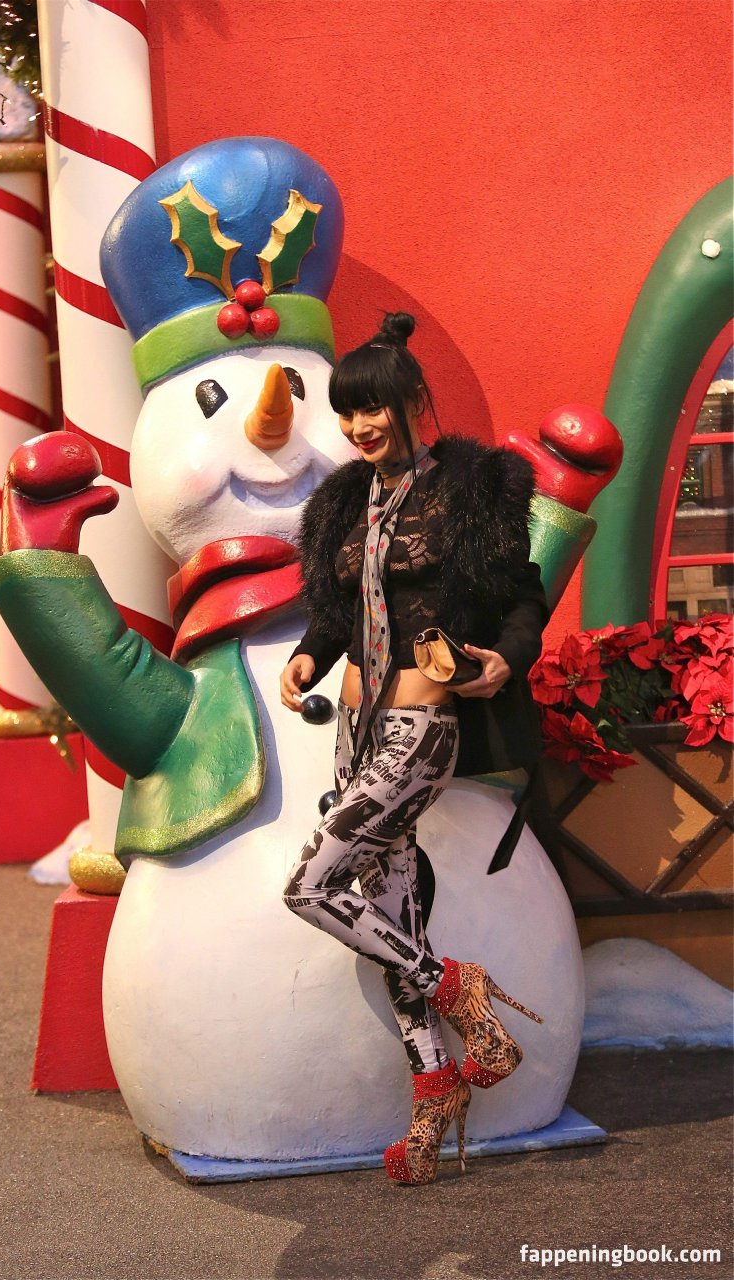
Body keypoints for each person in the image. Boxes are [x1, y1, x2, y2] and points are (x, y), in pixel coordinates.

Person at [279, 312, 550, 1186]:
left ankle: (462, 991)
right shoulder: (341, 503)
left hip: (419, 726)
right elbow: (337, 609)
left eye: (374, 408)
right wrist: (308, 655)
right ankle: (434, 1091)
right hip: (354, 725)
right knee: (388, 917)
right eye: (346, 412)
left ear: (412, 400)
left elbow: (523, 593)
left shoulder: (471, 490)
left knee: (309, 887)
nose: (360, 426)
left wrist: (504, 657)